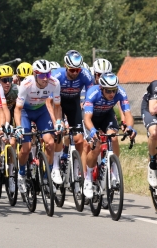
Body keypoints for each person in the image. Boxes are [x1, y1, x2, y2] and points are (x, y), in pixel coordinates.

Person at [83, 72, 136, 198]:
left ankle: (114, 171)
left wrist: (129, 128)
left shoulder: (120, 92)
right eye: (108, 91)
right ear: (101, 88)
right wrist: (92, 131)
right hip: (91, 119)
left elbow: (127, 113)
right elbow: (87, 118)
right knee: (96, 147)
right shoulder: (92, 93)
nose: (112, 94)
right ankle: (88, 179)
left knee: (113, 138)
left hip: (107, 115)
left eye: (114, 90)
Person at [14, 60, 63, 193]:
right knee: (26, 147)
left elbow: (57, 106)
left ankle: (47, 177)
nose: (46, 79)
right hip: (25, 112)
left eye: (48, 74)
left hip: (41, 112)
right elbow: (17, 109)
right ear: (35, 75)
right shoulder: (26, 84)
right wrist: (18, 127)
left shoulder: (54, 83)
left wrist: (58, 122)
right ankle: (21, 174)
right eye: (42, 76)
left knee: (50, 143)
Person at [52, 50, 93, 184]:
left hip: (73, 104)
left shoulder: (85, 75)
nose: (75, 72)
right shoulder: (57, 75)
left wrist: (87, 107)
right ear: (66, 66)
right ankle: (56, 167)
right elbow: (50, 101)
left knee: (80, 140)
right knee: (59, 132)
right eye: (72, 70)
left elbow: (91, 94)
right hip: (58, 104)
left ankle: (84, 175)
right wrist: (58, 121)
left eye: (78, 70)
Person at [142, 79, 157, 188]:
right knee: (154, 133)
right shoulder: (155, 85)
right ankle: (152, 163)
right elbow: (152, 109)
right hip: (149, 109)